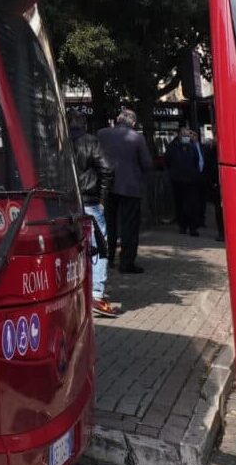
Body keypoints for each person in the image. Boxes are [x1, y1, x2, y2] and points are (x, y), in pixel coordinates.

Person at [69, 125, 120, 318]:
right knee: (99, 246)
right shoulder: (90, 141)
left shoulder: (57, 139)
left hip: (65, 201)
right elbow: (107, 168)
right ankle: (97, 294)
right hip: (89, 201)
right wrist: (102, 197)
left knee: (72, 246)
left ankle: (77, 289)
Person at [97, 107, 153, 274]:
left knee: (107, 224)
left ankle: (107, 257)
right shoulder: (138, 138)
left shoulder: (102, 134)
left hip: (107, 187)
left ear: (118, 119)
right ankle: (126, 262)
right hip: (130, 188)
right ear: (133, 123)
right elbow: (147, 164)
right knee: (129, 226)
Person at [166, 125, 208, 236]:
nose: (185, 136)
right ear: (179, 134)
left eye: (187, 134)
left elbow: (198, 161)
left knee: (192, 204)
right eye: (183, 134)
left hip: (191, 180)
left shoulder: (193, 147)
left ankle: (193, 227)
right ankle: (183, 226)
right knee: (180, 204)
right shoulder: (172, 147)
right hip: (178, 180)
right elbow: (168, 161)